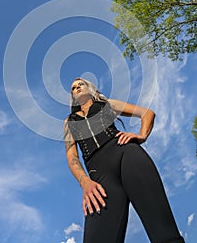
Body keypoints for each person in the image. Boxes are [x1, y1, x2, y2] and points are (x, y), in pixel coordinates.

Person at [64, 77, 185, 243]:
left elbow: (147, 113)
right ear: (72, 96)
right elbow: (72, 156)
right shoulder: (69, 122)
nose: (77, 88)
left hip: (127, 154)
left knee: (164, 233)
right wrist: (84, 182)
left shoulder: (107, 104)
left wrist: (141, 136)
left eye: (80, 84)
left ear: (90, 88)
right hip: (99, 178)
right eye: (73, 88)